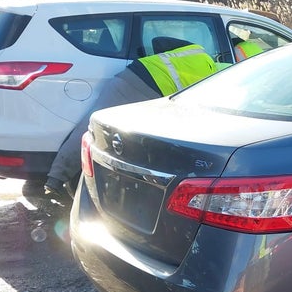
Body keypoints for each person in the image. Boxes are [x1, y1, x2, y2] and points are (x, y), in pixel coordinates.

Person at [44, 39, 218, 201]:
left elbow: (159, 41)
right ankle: (56, 180)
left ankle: (56, 179)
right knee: (96, 134)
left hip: (131, 74)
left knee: (89, 127)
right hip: (147, 91)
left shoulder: (196, 50)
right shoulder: (216, 81)